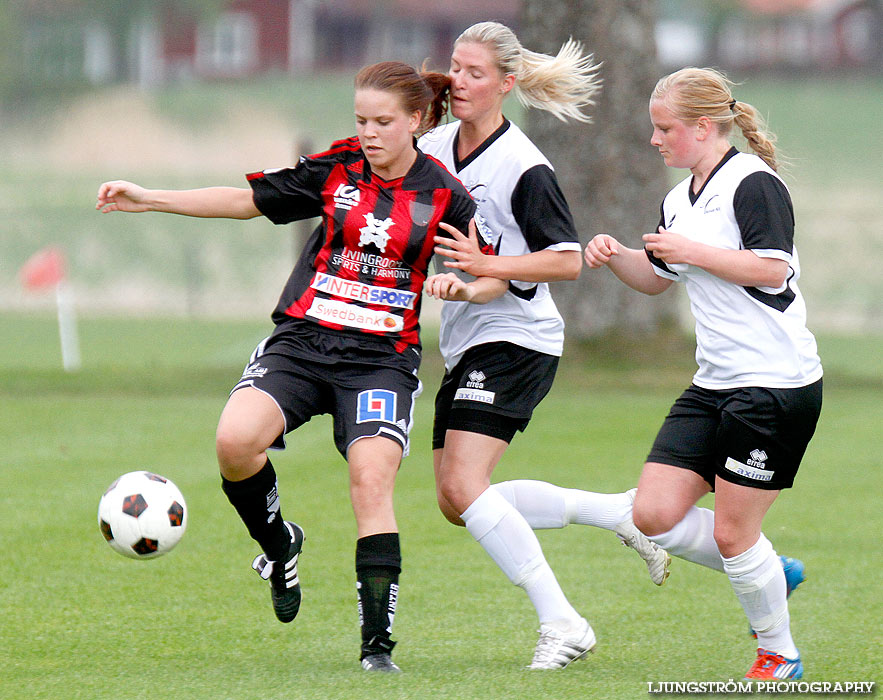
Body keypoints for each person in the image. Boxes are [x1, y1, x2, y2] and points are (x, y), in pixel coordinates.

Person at [95, 61, 506, 674]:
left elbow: (493, 277)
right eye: (361, 119)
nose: (368, 132)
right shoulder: (338, 168)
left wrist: (469, 287)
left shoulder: (446, 195)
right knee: (235, 442)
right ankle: (279, 545)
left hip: (379, 362)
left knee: (371, 482)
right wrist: (150, 198)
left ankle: (376, 650)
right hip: (302, 344)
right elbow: (246, 201)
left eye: (383, 122)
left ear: (417, 121)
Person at [417, 21, 671, 670]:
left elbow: (562, 261)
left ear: (506, 84)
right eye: (455, 67)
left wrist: (486, 266)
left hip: (518, 338)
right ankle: (615, 512)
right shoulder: (435, 145)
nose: (461, 81)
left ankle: (563, 623)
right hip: (469, 337)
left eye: (476, 73)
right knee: (456, 500)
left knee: (466, 485)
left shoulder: (523, 166)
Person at [584, 67, 822, 682]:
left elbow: (773, 270)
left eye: (664, 129)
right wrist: (617, 260)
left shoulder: (753, 184)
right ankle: (773, 572)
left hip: (774, 384)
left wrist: (690, 252)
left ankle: (779, 653)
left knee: (734, 533)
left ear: (703, 125)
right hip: (713, 384)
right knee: (652, 514)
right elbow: (659, 281)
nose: (655, 141)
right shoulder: (677, 198)